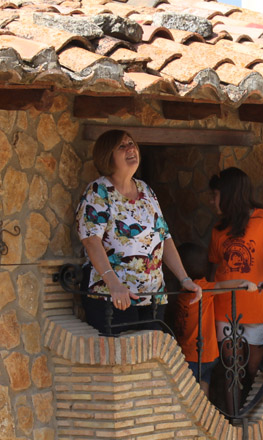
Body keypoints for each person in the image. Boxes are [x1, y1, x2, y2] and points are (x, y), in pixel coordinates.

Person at [76, 129, 201, 334]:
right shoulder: (98, 192)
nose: (130, 149)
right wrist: (114, 285)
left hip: (152, 298)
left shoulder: (146, 190)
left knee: (153, 353)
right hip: (114, 298)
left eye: (131, 143)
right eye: (122, 146)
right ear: (108, 155)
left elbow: (164, 237)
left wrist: (184, 279)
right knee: (119, 354)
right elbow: (91, 241)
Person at [208, 168, 263, 406]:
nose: (212, 201)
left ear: (229, 194)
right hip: (225, 309)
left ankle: (253, 415)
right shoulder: (218, 229)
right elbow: (214, 267)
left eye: (215, 195)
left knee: (255, 368)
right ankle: (234, 418)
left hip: (259, 308)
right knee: (231, 368)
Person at [173, 242, 256, 397]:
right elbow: (220, 286)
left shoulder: (186, 290)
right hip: (206, 353)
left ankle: (199, 412)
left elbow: (219, 286)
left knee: (190, 392)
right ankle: (204, 411)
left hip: (191, 354)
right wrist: (241, 283)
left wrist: (241, 283)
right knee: (203, 385)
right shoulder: (200, 288)